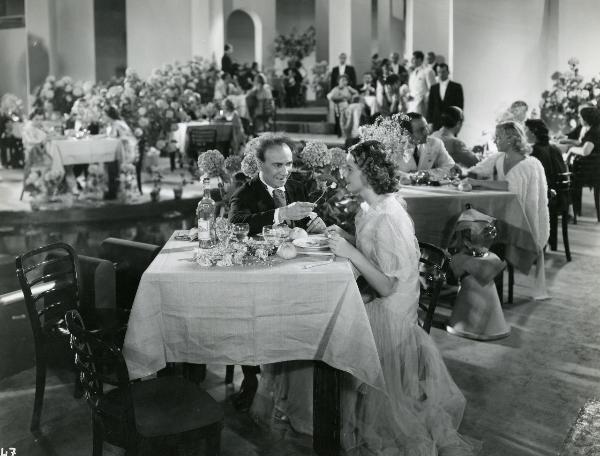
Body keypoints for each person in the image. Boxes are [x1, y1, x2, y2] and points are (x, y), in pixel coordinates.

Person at [253, 140, 479, 455]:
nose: (342, 173)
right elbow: (371, 254)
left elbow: (387, 286)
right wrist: (342, 237)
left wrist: (348, 252)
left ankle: (316, 421)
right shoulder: (373, 207)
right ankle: (310, 415)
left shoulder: (388, 216)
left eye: (350, 168)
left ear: (369, 174)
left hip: (389, 317)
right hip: (373, 301)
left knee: (311, 332)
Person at [228, 134, 327, 411]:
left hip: (296, 272)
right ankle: (250, 378)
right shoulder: (245, 192)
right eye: (276, 166)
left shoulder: (295, 186)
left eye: (289, 164)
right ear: (259, 164)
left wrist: (321, 227)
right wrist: (281, 214)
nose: (284, 172)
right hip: (260, 274)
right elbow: (236, 222)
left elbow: (308, 219)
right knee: (249, 317)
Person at [467, 121, 550, 299]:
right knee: (470, 225)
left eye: (498, 137)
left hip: (523, 222)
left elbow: (511, 187)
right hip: (504, 216)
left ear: (511, 139)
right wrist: (467, 175)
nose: (494, 140)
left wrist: (479, 182)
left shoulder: (530, 164)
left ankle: (480, 279)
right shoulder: (498, 158)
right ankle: (476, 278)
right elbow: (475, 171)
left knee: (473, 230)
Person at [525, 118, 569, 250]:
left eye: (525, 129)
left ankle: (525, 249)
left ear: (533, 132)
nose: (523, 132)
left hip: (546, 199)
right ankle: (550, 243)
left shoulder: (534, 151)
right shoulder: (553, 148)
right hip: (560, 197)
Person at [566, 106, 600, 221]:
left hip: (590, 173)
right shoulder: (595, 129)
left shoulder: (593, 132)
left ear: (586, 119)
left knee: (567, 176)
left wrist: (571, 150)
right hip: (595, 170)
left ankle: (570, 212)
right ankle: (574, 211)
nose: (579, 119)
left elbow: (586, 151)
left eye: (580, 117)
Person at [427, 63, 464, 131]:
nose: (441, 74)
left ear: (448, 72)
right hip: (436, 122)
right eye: (439, 72)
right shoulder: (433, 88)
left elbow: (459, 106)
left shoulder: (456, 87)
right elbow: (430, 106)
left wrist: (457, 122)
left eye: (443, 72)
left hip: (451, 121)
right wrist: (429, 122)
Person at [407, 51, 436, 115]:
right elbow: (411, 89)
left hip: (422, 104)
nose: (411, 61)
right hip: (411, 105)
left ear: (419, 59)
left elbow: (433, 89)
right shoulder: (412, 73)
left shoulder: (428, 71)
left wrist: (425, 101)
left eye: (413, 59)